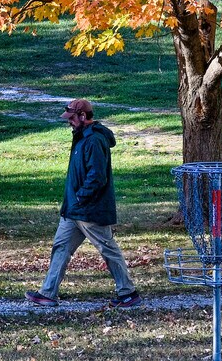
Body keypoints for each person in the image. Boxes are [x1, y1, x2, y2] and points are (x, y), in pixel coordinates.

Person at [25, 99, 142, 308]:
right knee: (60, 248)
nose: (69, 122)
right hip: (74, 210)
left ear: (82, 116)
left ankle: (128, 293)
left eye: (71, 118)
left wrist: (80, 197)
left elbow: (97, 177)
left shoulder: (94, 140)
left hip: (90, 210)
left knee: (108, 249)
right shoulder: (81, 137)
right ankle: (47, 293)